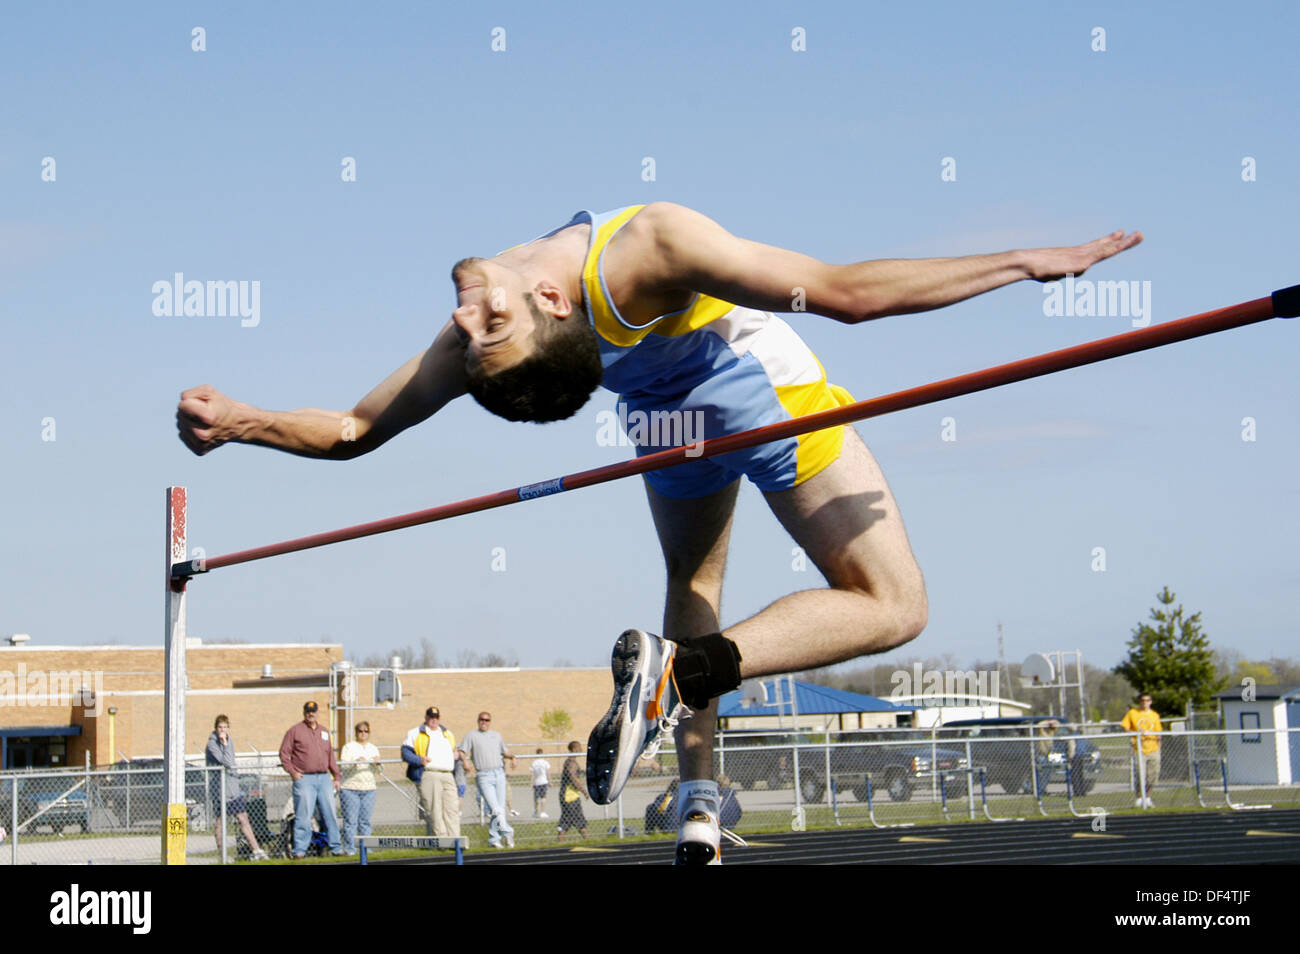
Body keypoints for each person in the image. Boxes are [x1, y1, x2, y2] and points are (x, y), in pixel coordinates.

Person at [176, 202, 1142, 864]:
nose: (466, 316)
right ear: (555, 307)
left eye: (477, 324)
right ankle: (687, 713)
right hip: (750, 392)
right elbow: (842, 292)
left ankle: (695, 793)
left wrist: (244, 420)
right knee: (894, 605)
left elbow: (351, 433)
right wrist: (1022, 261)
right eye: (481, 324)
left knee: (695, 592)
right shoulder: (646, 249)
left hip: (673, 424)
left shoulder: (544, 298)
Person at [278, 700, 342, 858]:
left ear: (317, 712)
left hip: (324, 778)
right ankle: (300, 850)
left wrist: (336, 776)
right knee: (303, 816)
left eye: (313, 711)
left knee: (330, 814)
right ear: (304, 712)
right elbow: (284, 754)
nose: (310, 714)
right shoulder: (294, 731)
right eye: (308, 711)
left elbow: (330, 756)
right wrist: (293, 772)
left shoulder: (324, 731)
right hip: (305, 779)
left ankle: (336, 847)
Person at [205, 714, 269, 860]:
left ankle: (257, 850)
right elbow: (227, 761)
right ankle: (223, 856)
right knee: (221, 821)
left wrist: (226, 743)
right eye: (220, 727)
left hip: (233, 789)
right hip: (220, 790)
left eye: (225, 727)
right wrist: (224, 743)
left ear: (229, 728)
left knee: (243, 818)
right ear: (215, 728)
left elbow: (231, 762)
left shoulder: (229, 740)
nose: (222, 730)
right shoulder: (212, 744)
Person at [400, 706, 463, 840]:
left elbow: (454, 752)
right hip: (429, 773)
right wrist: (419, 760)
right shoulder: (415, 733)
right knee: (434, 810)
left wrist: (456, 757)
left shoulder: (447, 734)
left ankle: (455, 841)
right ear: (426, 718)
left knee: (452, 808)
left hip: (447, 774)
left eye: (436, 717)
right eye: (431, 717)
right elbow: (405, 753)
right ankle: (442, 840)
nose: (434, 720)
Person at [458, 712, 515, 848]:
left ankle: (494, 838)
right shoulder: (471, 735)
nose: (484, 722)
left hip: (499, 773)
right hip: (484, 775)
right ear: (478, 721)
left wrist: (513, 757)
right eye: (482, 720)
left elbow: (504, 752)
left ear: (490, 721)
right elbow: (462, 751)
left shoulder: (496, 735)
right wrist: (465, 763)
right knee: (495, 808)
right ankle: (508, 832)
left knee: (500, 808)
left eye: (487, 720)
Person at [339, 721, 381, 854]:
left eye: (366, 731)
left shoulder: (373, 748)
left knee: (365, 821)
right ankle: (350, 849)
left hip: (368, 789)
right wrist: (355, 762)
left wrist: (377, 763)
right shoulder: (349, 747)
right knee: (351, 822)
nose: (363, 734)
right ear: (356, 732)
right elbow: (343, 765)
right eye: (360, 731)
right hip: (350, 788)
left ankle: (366, 849)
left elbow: (379, 771)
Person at [1121, 693, 1162, 808]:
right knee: (1140, 774)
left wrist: (1159, 744)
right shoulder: (1132, 713)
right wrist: (1134, 734)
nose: (1145, 702)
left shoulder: (1155, 715)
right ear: (1140, 702)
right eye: (1143, 700)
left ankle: (1148, 797)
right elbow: (1125, 727)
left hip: (1153, 749)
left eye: (1147, 700)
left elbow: (1158, 732)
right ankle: (1139, 798)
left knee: (1152, 775)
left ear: (1151, 702)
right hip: (1139, 749)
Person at [557, 741, 588, 841]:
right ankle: (588, 839)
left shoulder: (573, 762)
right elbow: (573, 778)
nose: (581, 750)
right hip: (569, 796)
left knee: (569, 819)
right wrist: (584, 791)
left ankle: (587, 839)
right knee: (574, 818)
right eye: (579, 748)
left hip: (573, 795)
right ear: (574, 749)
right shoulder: (571, 763)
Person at [530, 749, 551, 818]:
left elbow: (532, 774)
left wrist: (532, 783)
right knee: (543, 797)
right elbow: (547, 772)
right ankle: (542, 812)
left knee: (536, 798)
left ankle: (536, 812)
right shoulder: (545, 762)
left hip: (537, 782)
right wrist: (549, 781)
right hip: (544, 782)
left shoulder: (534, 763)